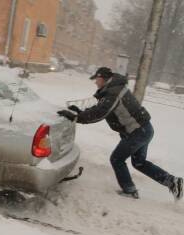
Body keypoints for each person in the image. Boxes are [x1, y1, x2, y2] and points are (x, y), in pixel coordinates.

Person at [57, 67, 183, 200]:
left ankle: (129, 190)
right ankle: (173, 182)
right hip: (144, 129)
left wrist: (77, 117)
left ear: (103, 78)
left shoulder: (113, 93)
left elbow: (100, 113)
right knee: (139, 162)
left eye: (97, 79)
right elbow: (100, 108)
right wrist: (80, 112)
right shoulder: (112, 89)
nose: (95, 82)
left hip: (137, 132)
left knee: (117, 159)